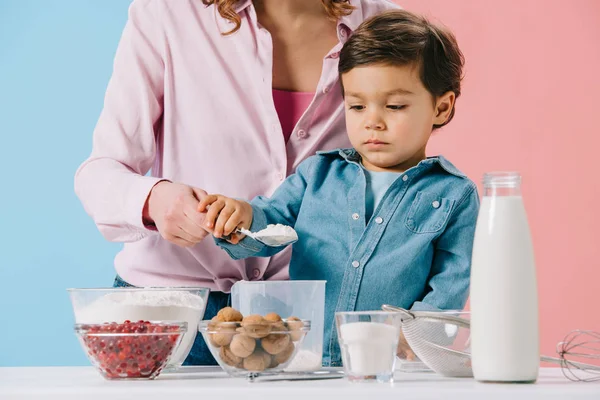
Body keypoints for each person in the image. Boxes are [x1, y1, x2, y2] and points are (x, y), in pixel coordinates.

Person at [74, 0, 401, 365]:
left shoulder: (383, 24)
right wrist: (154, 199)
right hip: (174, 317)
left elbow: (396, 178)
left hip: (305, 325)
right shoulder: (167, 13)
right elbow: (100, 171)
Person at [198, 9, 479, 367]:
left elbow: (452, 279)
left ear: (441, 107)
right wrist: (242, 217)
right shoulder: (316, 173)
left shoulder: (453, 196)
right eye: (357, 105)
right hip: (303, 359)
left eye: (394, 106)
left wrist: (420, 331)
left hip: (388, 367)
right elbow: (269, 219)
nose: (372, 121)